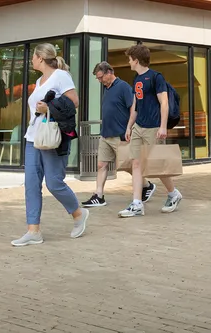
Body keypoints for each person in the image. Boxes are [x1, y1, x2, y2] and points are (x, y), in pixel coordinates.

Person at [11, 43, 88, 246]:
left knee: (54, 183)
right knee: (31, 184)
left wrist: (48, 107)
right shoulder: (39, 81)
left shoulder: (60, 76)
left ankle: (79, 214)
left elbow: (74, 102)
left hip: (52, 138)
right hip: (33, 137)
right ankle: (33, 230)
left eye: (33, 57)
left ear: (40, 58)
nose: (31, 61)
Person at [118, 45, 182, 218]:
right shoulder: (136, 79)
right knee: (136, 163)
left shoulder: (156, 77)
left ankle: (173, 193)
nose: (129, 62)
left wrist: (162, 126)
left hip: (153, 127)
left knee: (156, 164)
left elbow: (164, 103)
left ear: (136, 60)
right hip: (139, 126)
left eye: (130, 59)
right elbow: (136, 106)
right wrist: (129, 126)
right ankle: (137, 203)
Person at [82, 62, 154, 208]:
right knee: (101, 164)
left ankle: (147, 185)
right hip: (106, 134)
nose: (100, 80)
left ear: (109, 72)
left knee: (128, 165)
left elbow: (134, 107)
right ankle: (99, 196)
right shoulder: (106, 89)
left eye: (101, 77)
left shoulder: (123, 87)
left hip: (120, 135)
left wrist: (129, 128)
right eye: (98, 78)